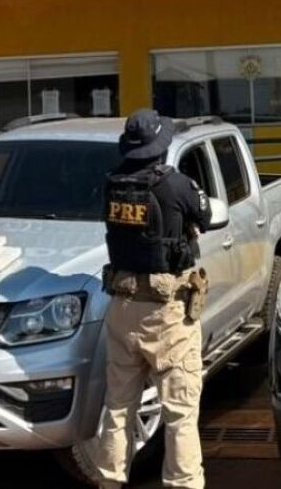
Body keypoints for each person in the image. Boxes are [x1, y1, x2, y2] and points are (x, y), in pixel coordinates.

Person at [100, 109, 212, 489]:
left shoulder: (112, 185)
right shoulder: (176, 184)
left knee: (118, 408)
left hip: (122, 307)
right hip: (167, 314)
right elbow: (206, 215)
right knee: (180, 412)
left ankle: (109, 481)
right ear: (160, 146)